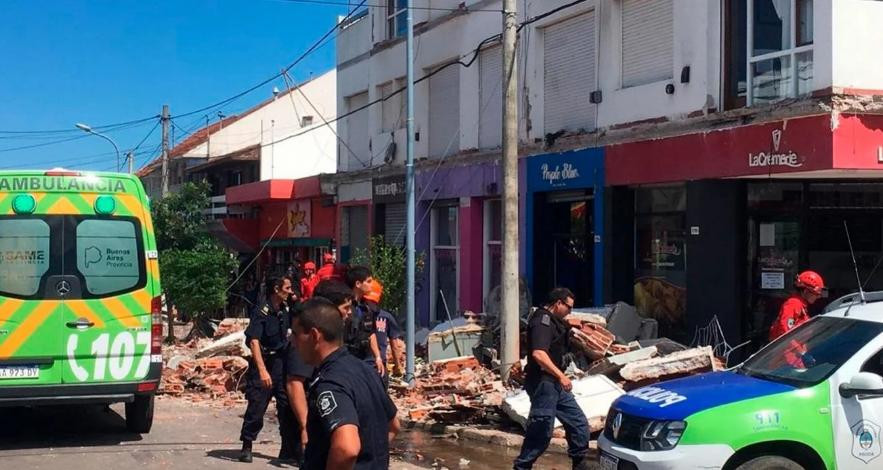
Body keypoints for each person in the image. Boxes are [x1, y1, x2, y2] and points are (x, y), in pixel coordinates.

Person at [293, 298, 400, 469]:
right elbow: (393, 424)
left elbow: (347, 448)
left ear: (314, 336)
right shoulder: (365, 370)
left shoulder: (330, 383)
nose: (293, 343)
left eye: (296, 335)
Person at [514, 288, 591, 470]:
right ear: (558, 303)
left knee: (578, 422)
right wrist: (561, 376)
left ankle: (579, 463)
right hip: (543, 383)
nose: (570, 312)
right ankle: (522, 467)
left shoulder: (556, 323)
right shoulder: (542, 321)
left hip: (554, 383)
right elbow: (539, 354)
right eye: (568, 308)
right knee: (541, 429)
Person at [239, 276, 300, 463]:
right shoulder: (262, 311)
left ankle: (288, 450)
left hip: (281, 362)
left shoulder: (285, 309)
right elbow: (254, 342)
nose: (290, 291)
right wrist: (263, 370)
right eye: (287, 288)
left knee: (286, 407)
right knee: (257, 406)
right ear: (276, 289)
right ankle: (247, 445)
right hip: (263, 362)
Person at [345, 266, 385, 375]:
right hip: (348, 357)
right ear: (358, 284)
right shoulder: (345, 306)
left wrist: (378, 357)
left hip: (364, 356)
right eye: (368, 281)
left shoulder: (367, 307)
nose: (372, 285)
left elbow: (371, 333)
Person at [364, 281, 403, 386]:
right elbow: (394, 345)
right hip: (378, 365)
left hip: (364, 364)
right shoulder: (386, 317)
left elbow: (394, 346)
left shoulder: (358, 316)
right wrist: (397, 365)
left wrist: (397, 365)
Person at [769, 270, 826, 342]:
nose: (818, 297)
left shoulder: (801, 306)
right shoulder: (794, 304)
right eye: (816, 294)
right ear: (805, 291)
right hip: (787, 351)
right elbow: (785, 331)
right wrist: (799, 351)